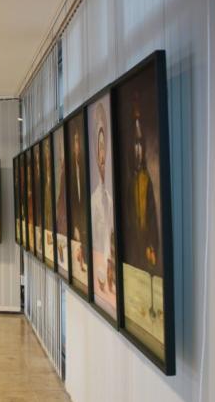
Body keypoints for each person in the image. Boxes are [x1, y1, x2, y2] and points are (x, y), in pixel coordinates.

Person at [125, 101, 160, 272]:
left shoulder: (147, 181)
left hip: (146, 248)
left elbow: (152, 216)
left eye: (140, 145)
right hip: (133, 249)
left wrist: (151, 244)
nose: (137, 150)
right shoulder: (129, 183)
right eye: (135, 145)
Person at [90, 104, 116, 290]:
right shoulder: (93, 201)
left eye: (103, 147)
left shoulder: (110, 199)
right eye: (99, 147)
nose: (101, 154)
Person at [69, 129, 88, 272]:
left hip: (86, 224)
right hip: (77, 226)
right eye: (75, 142)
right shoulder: (70, 171)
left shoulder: (84, 167)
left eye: (79, 142)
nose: (77, 146)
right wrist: (75, 225)